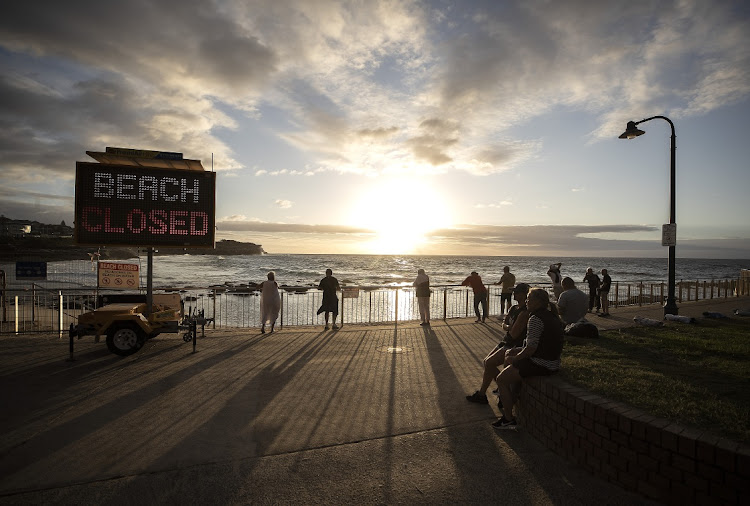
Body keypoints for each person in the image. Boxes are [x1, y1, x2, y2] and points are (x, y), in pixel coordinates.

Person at [493, 287, 564, 429]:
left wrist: (516, 357)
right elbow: (537, 345)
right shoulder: (551, 315)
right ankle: (510, 396)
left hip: (542, 364)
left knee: (501, 379)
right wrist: (514, 353)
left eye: (529, 299)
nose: (526, 301)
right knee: (509, 355)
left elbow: (530, 349)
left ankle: (508, 419)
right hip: (551, 361)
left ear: (537, 302)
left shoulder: (535, 319)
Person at [466, 283, 530, 405]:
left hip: (513, 344)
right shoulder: (513, 308)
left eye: (516, 292)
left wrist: (508, 327)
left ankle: (488, 392)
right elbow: (505, 324)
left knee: (490, 363)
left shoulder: (524, 312)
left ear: (523, 295)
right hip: (506, 340)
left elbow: (515, 334)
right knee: (487, 362)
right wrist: (508, 327)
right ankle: (495, 391)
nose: (514, 294)